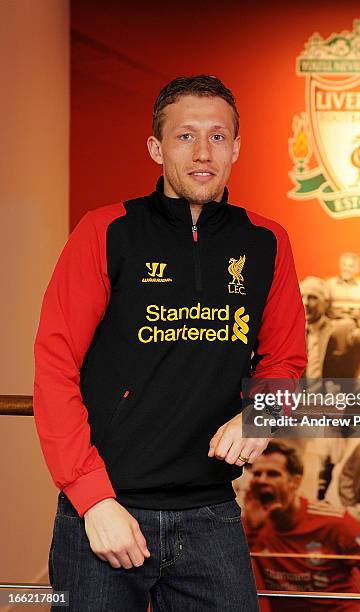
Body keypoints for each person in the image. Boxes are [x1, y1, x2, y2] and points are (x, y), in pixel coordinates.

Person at [33, 75, 306, 611]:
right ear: (156, 148)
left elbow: (286, 359)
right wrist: (92, 501)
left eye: (218, 136)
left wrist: (262, 413)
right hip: (108, 512)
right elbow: (55, 365)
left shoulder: (266, 241)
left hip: (211, 514)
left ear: (237, 148)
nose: (203, 152)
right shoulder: (105, 230)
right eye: (184, 136)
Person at [243, 441, 360, 611]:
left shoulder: (335, 522)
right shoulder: (251, 525)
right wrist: (252, 529)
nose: (261, 481)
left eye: (273, 474)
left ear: (294, 482)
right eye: (257, 474)